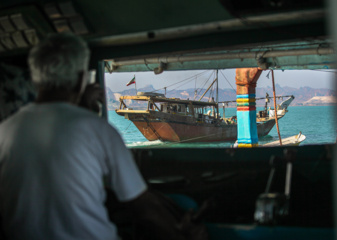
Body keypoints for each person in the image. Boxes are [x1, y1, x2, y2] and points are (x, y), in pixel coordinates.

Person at [0, 33, 199, 240]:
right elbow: (144, 208)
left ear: (35, 80)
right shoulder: (97, 129)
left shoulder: (4, 131)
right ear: (80, 80)